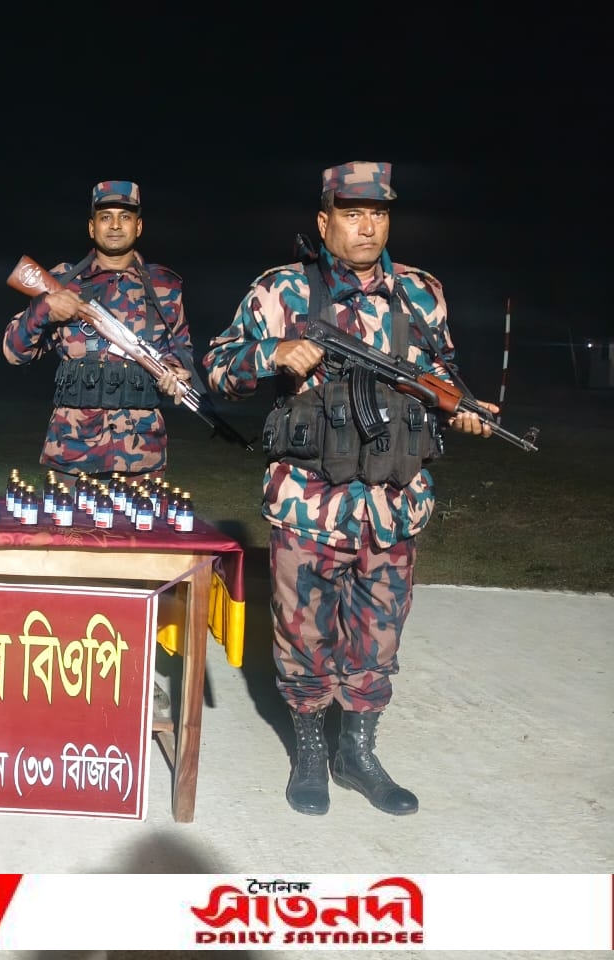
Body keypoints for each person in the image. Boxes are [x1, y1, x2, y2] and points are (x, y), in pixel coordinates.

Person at [201, 161, 498, 817]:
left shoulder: (420, 292)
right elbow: (217, 366)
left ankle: (357, 754)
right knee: (303, 636)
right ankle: (309, 753)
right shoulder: (281, 289)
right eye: (353, 213)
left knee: (379, 640)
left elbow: (443, 374)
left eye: (379, 214)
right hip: (310, 503)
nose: (368, 227)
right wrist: (272, 354)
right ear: (323, 220)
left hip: (393, 506)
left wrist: (466, 408)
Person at [2, 180, 195, 483]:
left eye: (125, 217)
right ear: (92, 228)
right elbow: (13, 353)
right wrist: (43, 309)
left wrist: (176, 373)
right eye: (106, 217)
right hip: (71, 453)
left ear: (139, 226)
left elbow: (181, 353)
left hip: (141, 457)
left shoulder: (164, 287)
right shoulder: (64, 281)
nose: (115, 225)